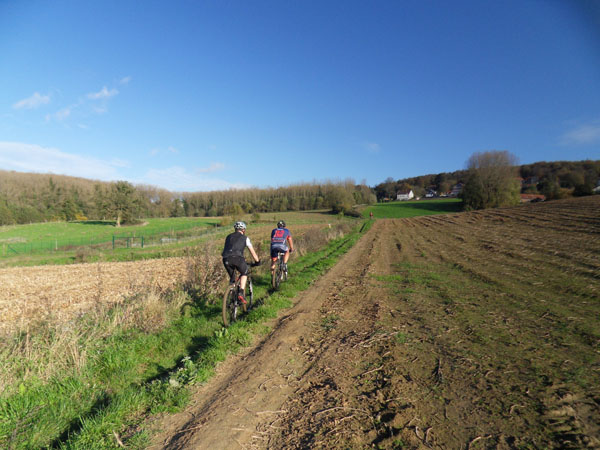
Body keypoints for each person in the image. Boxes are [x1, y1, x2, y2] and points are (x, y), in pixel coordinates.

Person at [222, 221, 260, 304]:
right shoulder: (245, 238)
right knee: (244, 273)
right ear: (243, 230)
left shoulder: (228, 237)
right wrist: (257, 261)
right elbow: (253, 252)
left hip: (226, 259)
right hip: (238, 258)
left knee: (232, 279)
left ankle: (231, 297)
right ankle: (241, 292)